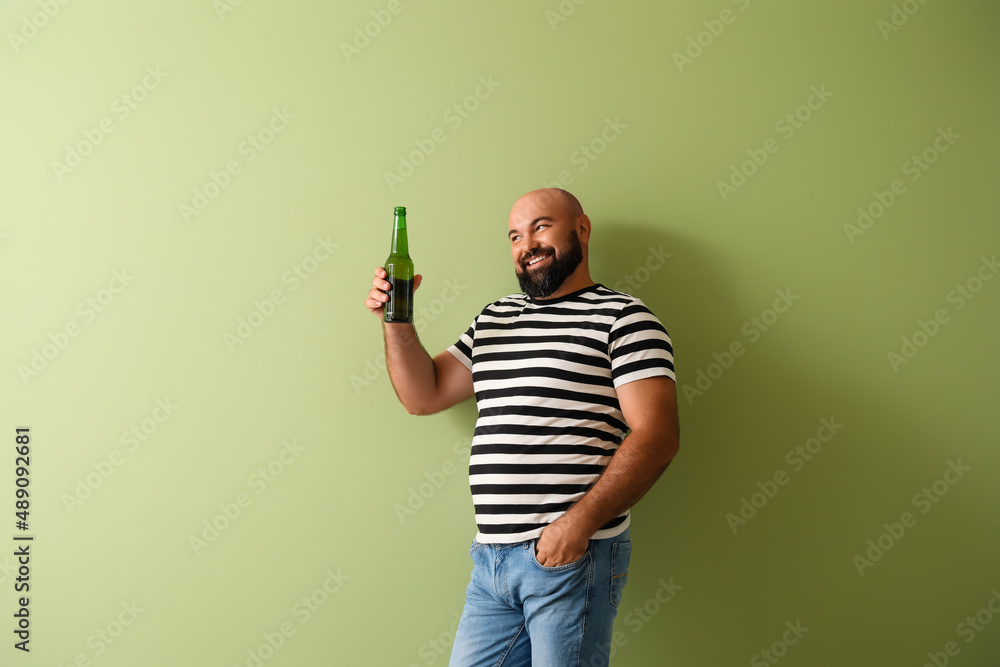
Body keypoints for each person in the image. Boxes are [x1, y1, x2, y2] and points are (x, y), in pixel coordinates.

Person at [364, 188, 680, 666]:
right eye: (514, 235)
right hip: (491, 560)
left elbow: (658, 436)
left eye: (540, 226)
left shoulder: (624, 318)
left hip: (573, 556)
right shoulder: (495, 318)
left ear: (582, 229)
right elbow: (423, 395)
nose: (526, 243)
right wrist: (395, 322)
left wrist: (578, 525)